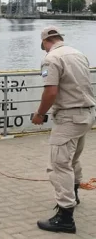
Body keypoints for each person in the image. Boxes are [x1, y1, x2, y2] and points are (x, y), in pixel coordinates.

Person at [32, 26, 95, 234]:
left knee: (59, 165)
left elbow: (50, 92)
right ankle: (74, 195)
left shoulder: (50, 59)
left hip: (68, 117)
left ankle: (65, 216)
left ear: (44, 43)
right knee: (73, 159)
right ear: (59, 38)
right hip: (86, 114)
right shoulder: (78, 54)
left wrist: (40, 114)